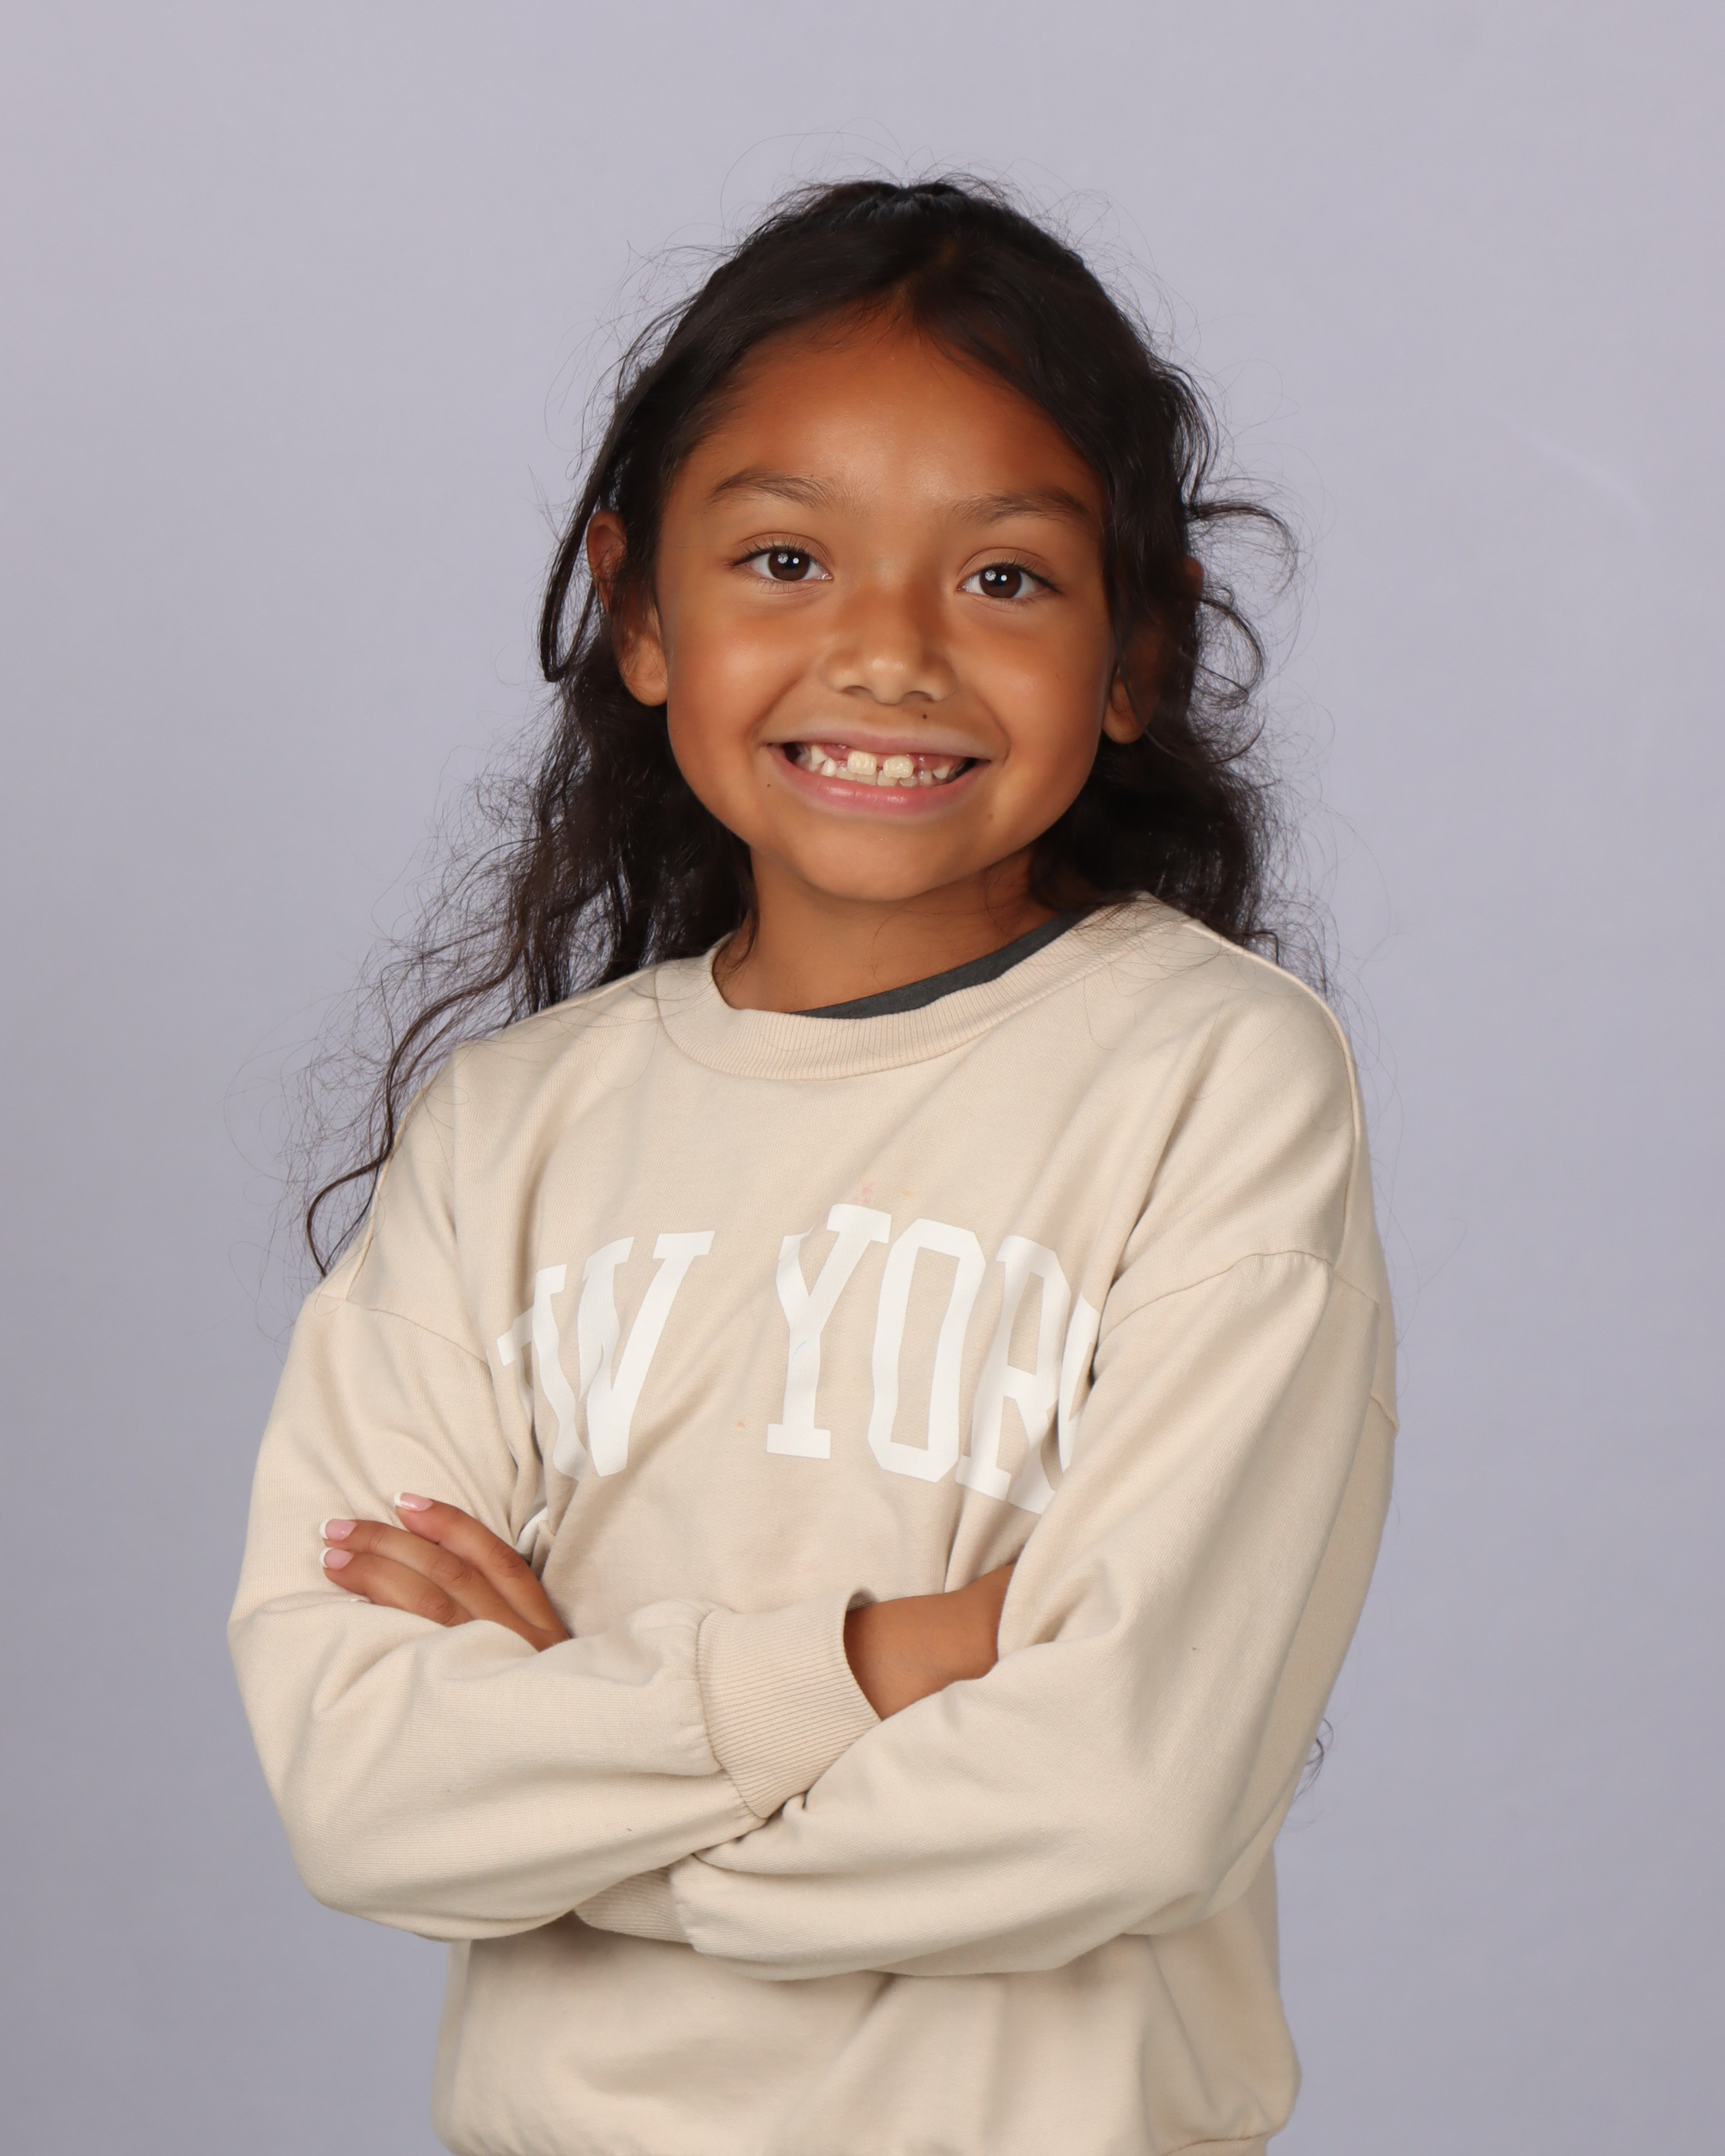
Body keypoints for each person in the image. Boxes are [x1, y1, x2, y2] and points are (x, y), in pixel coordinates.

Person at [230, 177, 1395, 2156]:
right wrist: (895, 1653)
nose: (889, 655)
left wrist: (582, 1790)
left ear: (1137, 647)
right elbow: (362, 1790)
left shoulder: (1210, 1077)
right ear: (640, 611)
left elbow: (1122, 1796)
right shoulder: (509, 1133)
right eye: (784, 557)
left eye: (1004, 577)